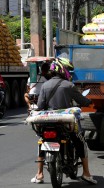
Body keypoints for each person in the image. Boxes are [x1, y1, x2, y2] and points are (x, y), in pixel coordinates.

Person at [30, 57, 97, 185]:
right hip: (65, 122)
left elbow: (40, 106)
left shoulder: (45, 85)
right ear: (63, 70)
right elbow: (82, 101)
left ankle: (39, 174)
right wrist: (88, 101)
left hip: (48, 123)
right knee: (80, 141)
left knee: (41, 142)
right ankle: (87, 173)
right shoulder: (69, 85)